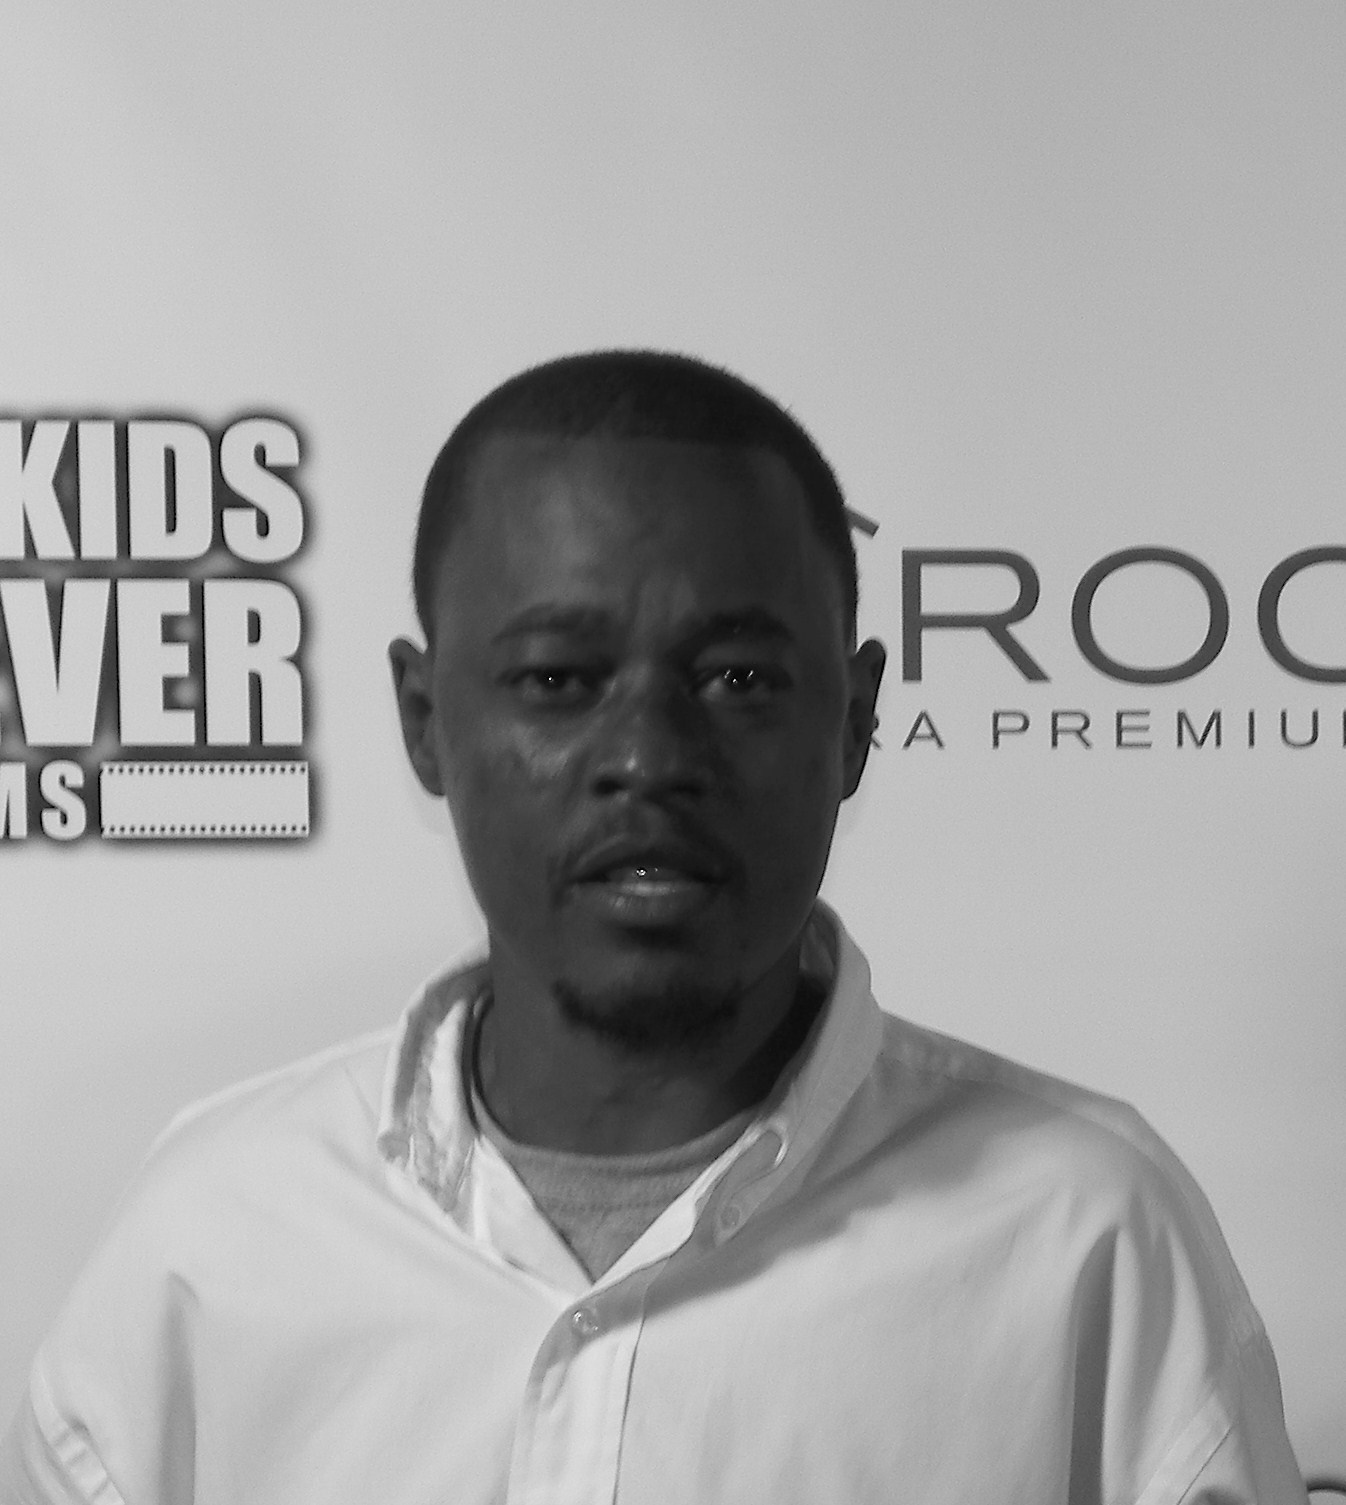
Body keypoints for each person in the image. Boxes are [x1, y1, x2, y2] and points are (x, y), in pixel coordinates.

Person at [2, 351, 1306, 1504]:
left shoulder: (1087, 1232)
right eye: (556, 678)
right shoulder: (214, 1232)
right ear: (424, 720)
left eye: (737, 677)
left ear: (855, 721)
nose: (647, 756)